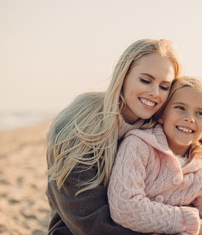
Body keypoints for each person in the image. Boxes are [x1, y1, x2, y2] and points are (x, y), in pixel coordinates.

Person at [45, 39, 183, 235]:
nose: (154, 93)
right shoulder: (80, 123)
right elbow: (87, 220)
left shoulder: (159, 131)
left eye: (164, 86)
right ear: (123, 76)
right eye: (145, 80)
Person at [108, 76, 202, 235]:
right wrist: (189, 222)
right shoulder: (138, 146)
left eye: (200, 113)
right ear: (161, 114)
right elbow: (124, 207)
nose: (189, 118)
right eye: (180, 108)